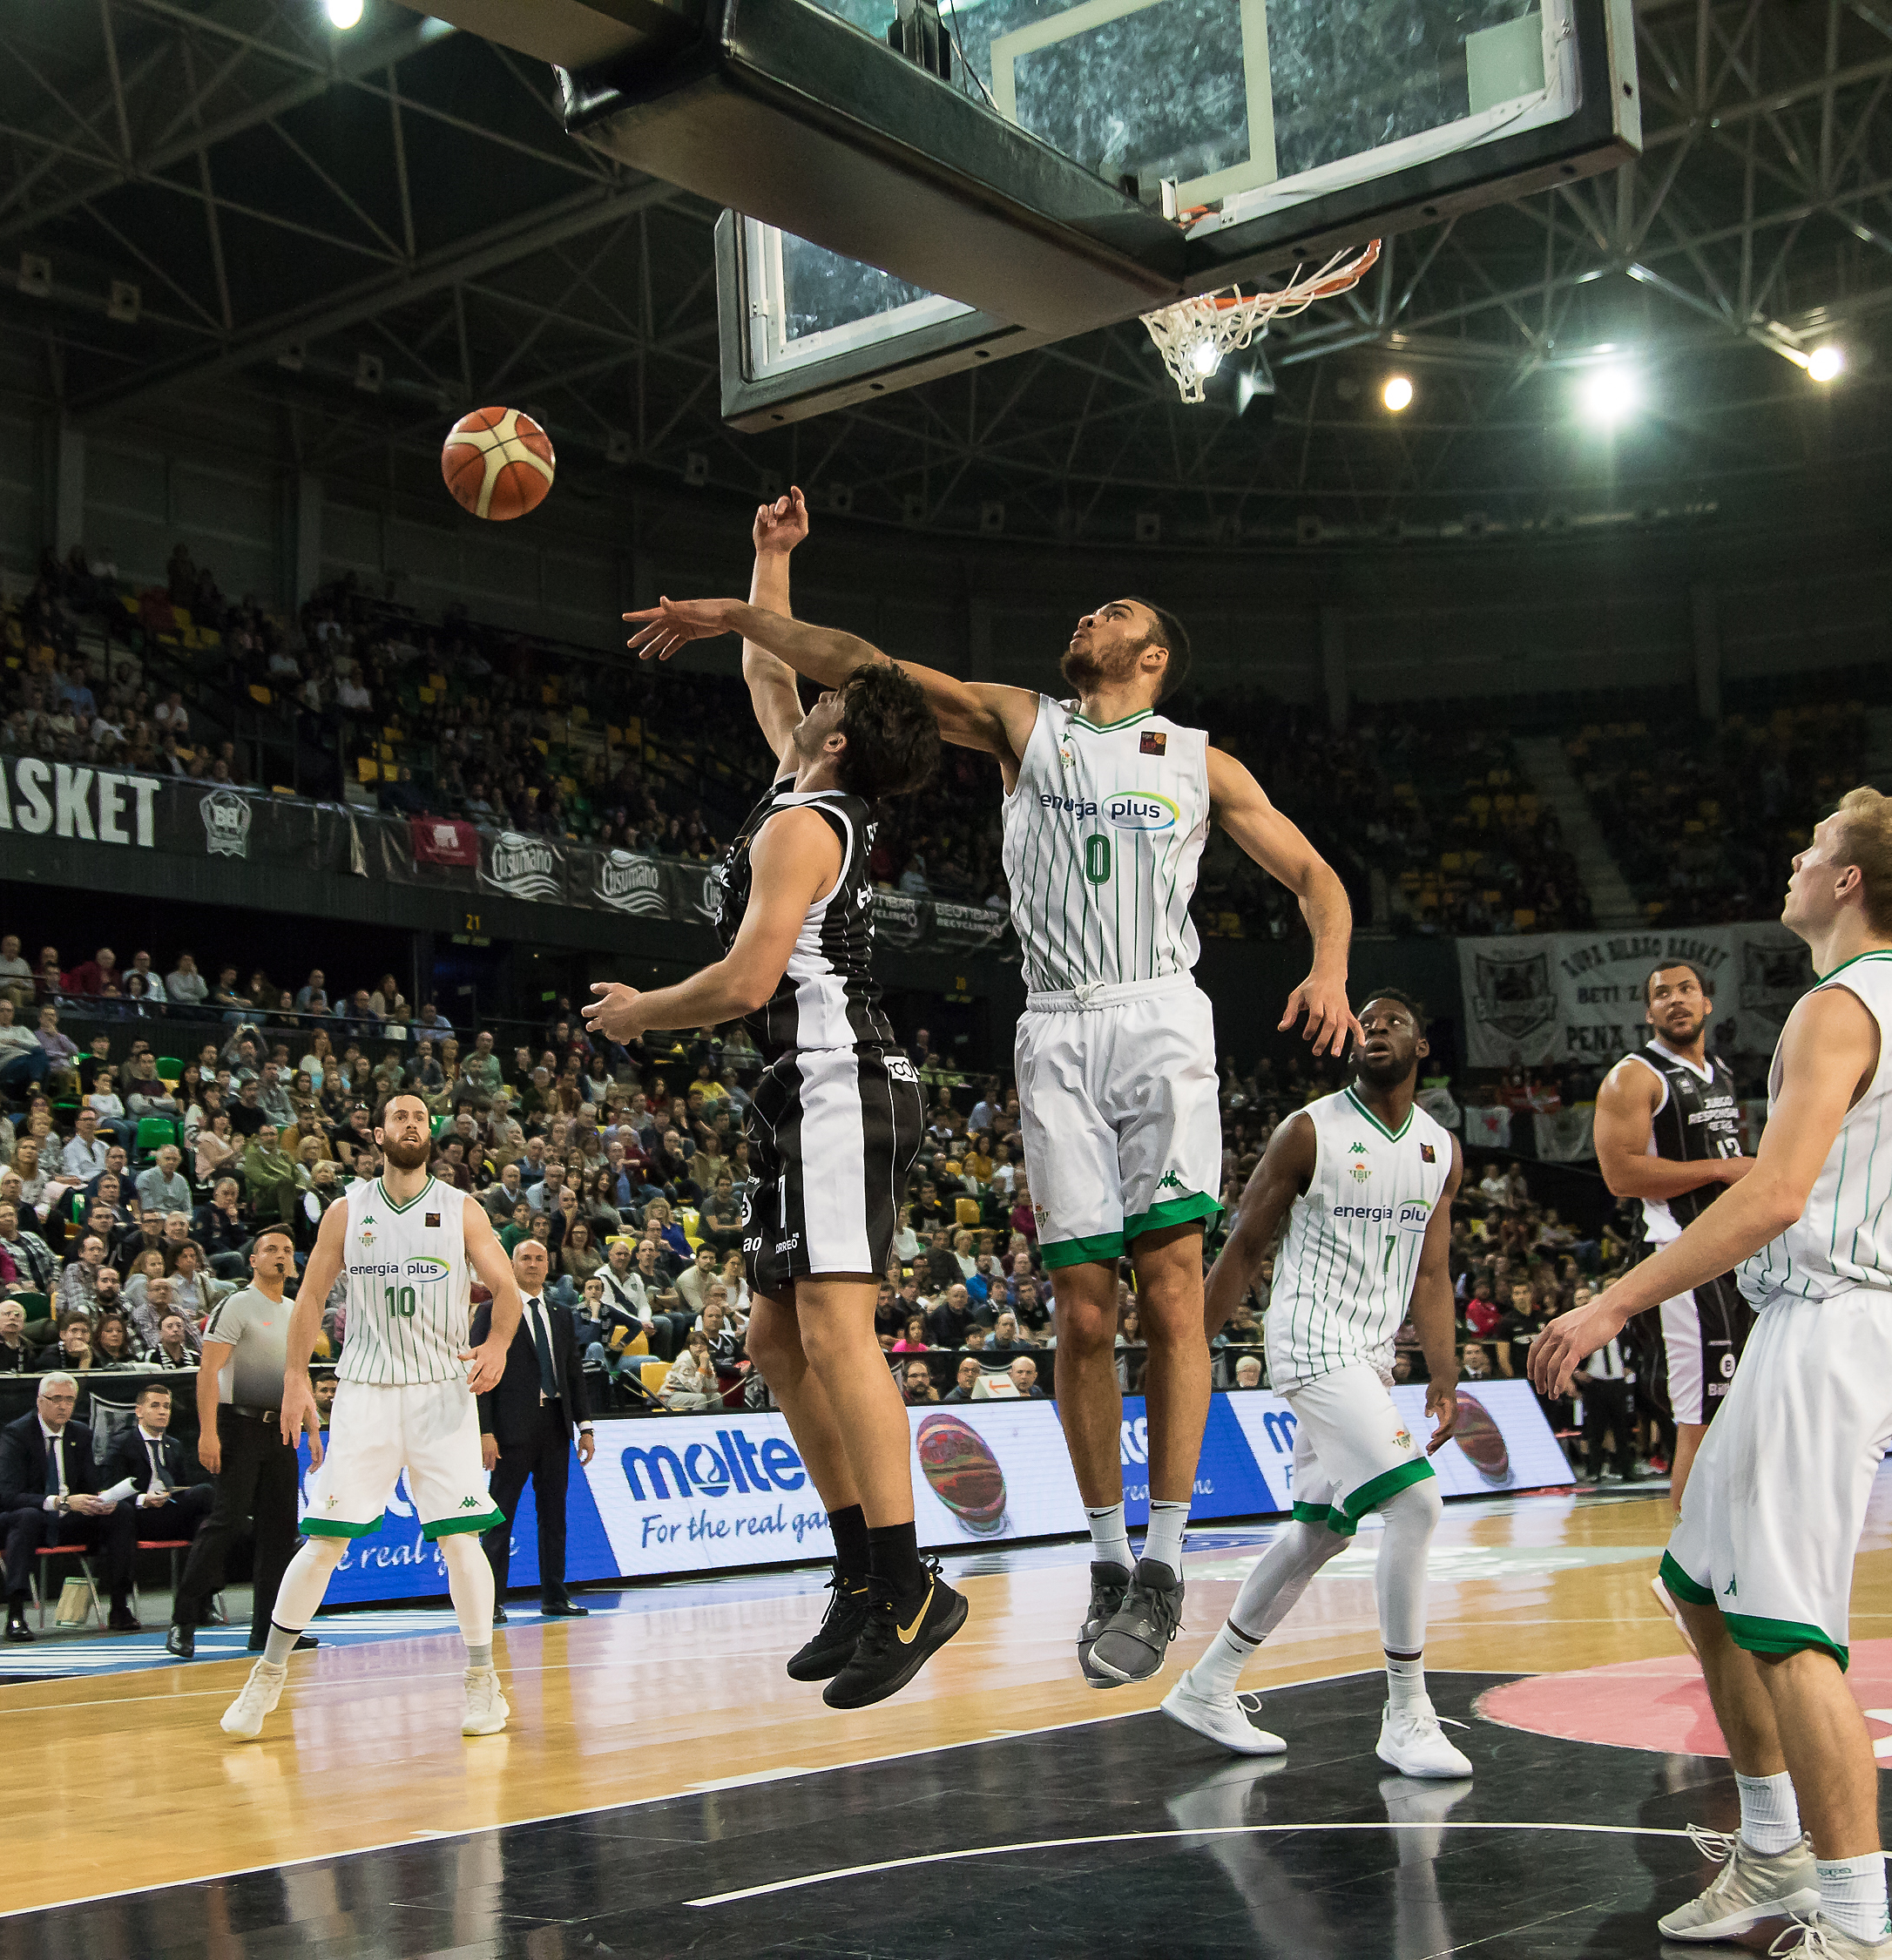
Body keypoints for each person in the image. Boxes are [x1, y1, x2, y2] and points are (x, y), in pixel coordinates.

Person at [625, 485, 1358, 1691]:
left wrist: (1328, 966)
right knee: (1079, 1308)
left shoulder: (1201, 758)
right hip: (1058, 1022)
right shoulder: (1024, 722)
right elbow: (860, 665)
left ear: (1153, 654)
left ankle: (1166, 1559)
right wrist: (741, 608)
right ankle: (1108, 1558)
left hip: (1163, 1015)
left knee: (1172, 1291)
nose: (1089, 613)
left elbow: (1316, 874)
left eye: (1112, 609)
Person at [1531, 787, 1892, 1957]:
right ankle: (1770, 1852)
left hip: (1831, 1333)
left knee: (1792, 1634)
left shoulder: (1838, 1005)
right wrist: (1889, 1257)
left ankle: (1861, 1930)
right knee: (1698, 1584)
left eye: (1814, 847)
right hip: (1824, 1319)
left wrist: (1615, 1297)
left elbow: (1773, 1192)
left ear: (1849, 882)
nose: (1798, 859)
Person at [591, 490, 962, 1713]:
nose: (807, 693)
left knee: (840, 1336)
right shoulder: (795, 783)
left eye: (830, 694)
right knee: (772, 1340)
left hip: (841, 1084)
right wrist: (770, 557)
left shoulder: (806, 824)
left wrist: (646, 1008)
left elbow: (750, 979)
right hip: (797, 1089)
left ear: (843, 735)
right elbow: (767, 664)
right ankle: (860, 1567)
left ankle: (912, 1585)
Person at [1162, 990, 1470, 1777]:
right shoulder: (1309, 1131)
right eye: (1364, 1023)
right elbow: (1244, 1247)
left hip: (1368, 1357)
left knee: (1322, 1531)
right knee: (1418, 1502)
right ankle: (1407, 1713)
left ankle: (1210, 1683)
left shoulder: (1440, 1148)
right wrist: (1188, 1348)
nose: (1374, 1031)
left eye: (1393, 1021)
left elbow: (1433, 1272)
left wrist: (1444, 1372)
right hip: (1311, 1342)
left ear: (1421, 1047)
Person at [215, 1093, 523, 1740]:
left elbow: (508, 1289)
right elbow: (311, 1298)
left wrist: (495, 1344)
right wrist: (296, 1377)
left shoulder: (461, 1208)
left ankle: (481, 1681)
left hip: (442, 1390)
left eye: (420, 1117)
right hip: (364, 1390)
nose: (411, 1124)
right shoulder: (345, 1211)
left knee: (461, 1539)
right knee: (325, 1541)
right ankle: (266, 1675)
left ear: (430, 1134)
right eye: (399, 1117)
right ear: (377, 1134)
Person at [1592, 959, 1755, 1513]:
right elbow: (1621, 1174)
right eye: (1662, 994)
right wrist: (1717, 1171)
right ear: (1648, 1012)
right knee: (1700, 1424)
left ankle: (1730, 1554)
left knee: (1737, 1415)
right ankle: (1686, 1574)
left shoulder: (1722, 1074)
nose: (1676, 1000)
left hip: (1733, 1256)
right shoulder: (1634, 1076)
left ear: (1707, 1002)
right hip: (1678, 1259)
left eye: (1686, 990)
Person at [169, 1227, 319, 1658]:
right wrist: (208, 1431)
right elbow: (207, 1372)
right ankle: (184, 1620)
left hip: (281, 1428)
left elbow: (300, 1375)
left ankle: (268, 1630)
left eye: (287, 1251)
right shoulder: (235, 1305)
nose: (280, 1256)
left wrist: (312, 1426)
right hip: (239, 1424)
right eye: (271, 1249)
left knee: (279, 1532)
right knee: (226, 1522)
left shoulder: (296, 1310)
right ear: (252, 1260)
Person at [0, 1372, 146, 1639]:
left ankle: (120, 1607)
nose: (63, 1406)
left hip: (64, 1517)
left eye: (69, 1400)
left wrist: (99, 1502)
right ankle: (15, 1615)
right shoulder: (16, 1434)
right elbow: (9, 1495)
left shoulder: (81, 1434)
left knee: (121, 1512)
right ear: (40, 1401)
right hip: (6, 1518)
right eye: (56, 1399)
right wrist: (62, 1502)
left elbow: (88, 1485)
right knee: (27, 1516)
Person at [476, 1238, 597, 1619]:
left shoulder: (561, 1313)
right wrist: (485, 1430)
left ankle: (555, 1597)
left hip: (554, 1427)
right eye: (525, 1258)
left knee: (554, 1515)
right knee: (499, 1517)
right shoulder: (492, 1310)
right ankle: (490, 1601)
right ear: (511, 1264)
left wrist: (585, 1425)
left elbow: (573, 1372)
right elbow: (477, 1373)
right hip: (510, 1430)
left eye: (539, 1258)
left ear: (548, 1265)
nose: (532, 1264)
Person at [103, 1382, 214, 1550]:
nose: (162, 1411)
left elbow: (182, 1486)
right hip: (140, 1515)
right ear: (139, 1411)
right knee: (206, 1492)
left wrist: (174, 1492)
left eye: (166, 1406)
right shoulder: (122, 1443)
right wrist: (144, 1500)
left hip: (172, 1510)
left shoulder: (174, 1445)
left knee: (209, 1526)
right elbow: (109, 1490)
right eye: (155, 1406)